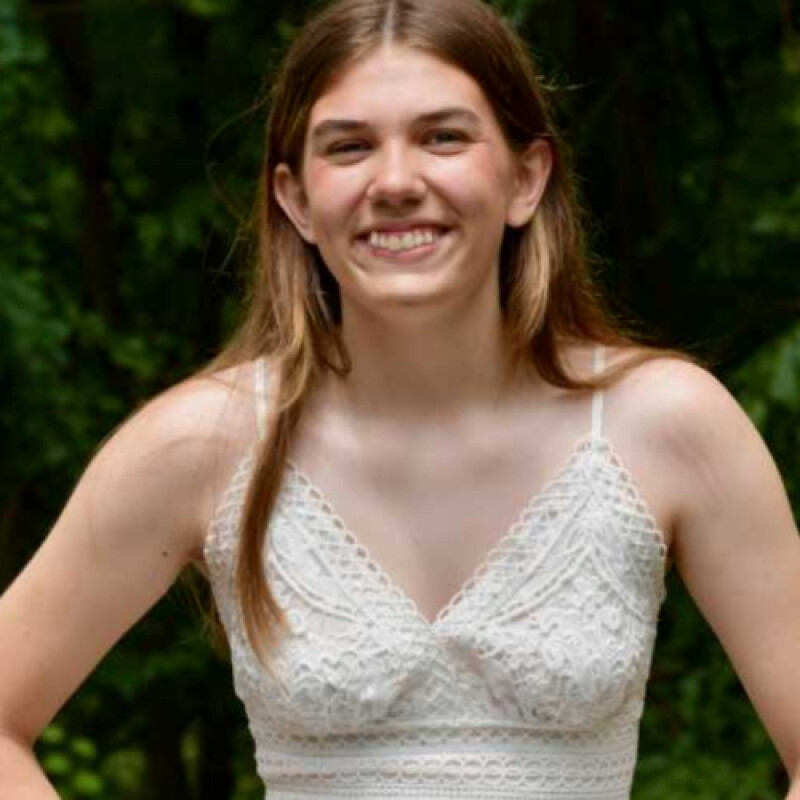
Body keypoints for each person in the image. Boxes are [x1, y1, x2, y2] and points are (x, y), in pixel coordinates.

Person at [1, 0, 799, 797]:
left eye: (443, 137)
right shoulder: (204, 443)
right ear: (296, 200)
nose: (394, 183)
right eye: (349, 147)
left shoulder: (665, 425)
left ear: (526, 178)